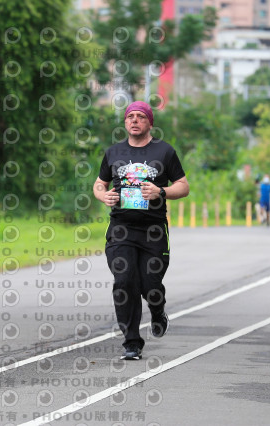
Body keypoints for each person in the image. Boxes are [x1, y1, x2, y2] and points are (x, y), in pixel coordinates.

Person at [93, 101, 189, 360]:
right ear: (125, 122)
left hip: (153, 231)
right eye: (130, 117)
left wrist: (161, 191)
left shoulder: (164, 152)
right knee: (125, 283)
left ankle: (158, 312)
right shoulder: (113, 152)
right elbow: (99, 184)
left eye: (140, 117)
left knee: (150, 285)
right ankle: (132, 342)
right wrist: (104, 197)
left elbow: (183, 185)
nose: (134, 120)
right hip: (121, 230)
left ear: (150, 122)